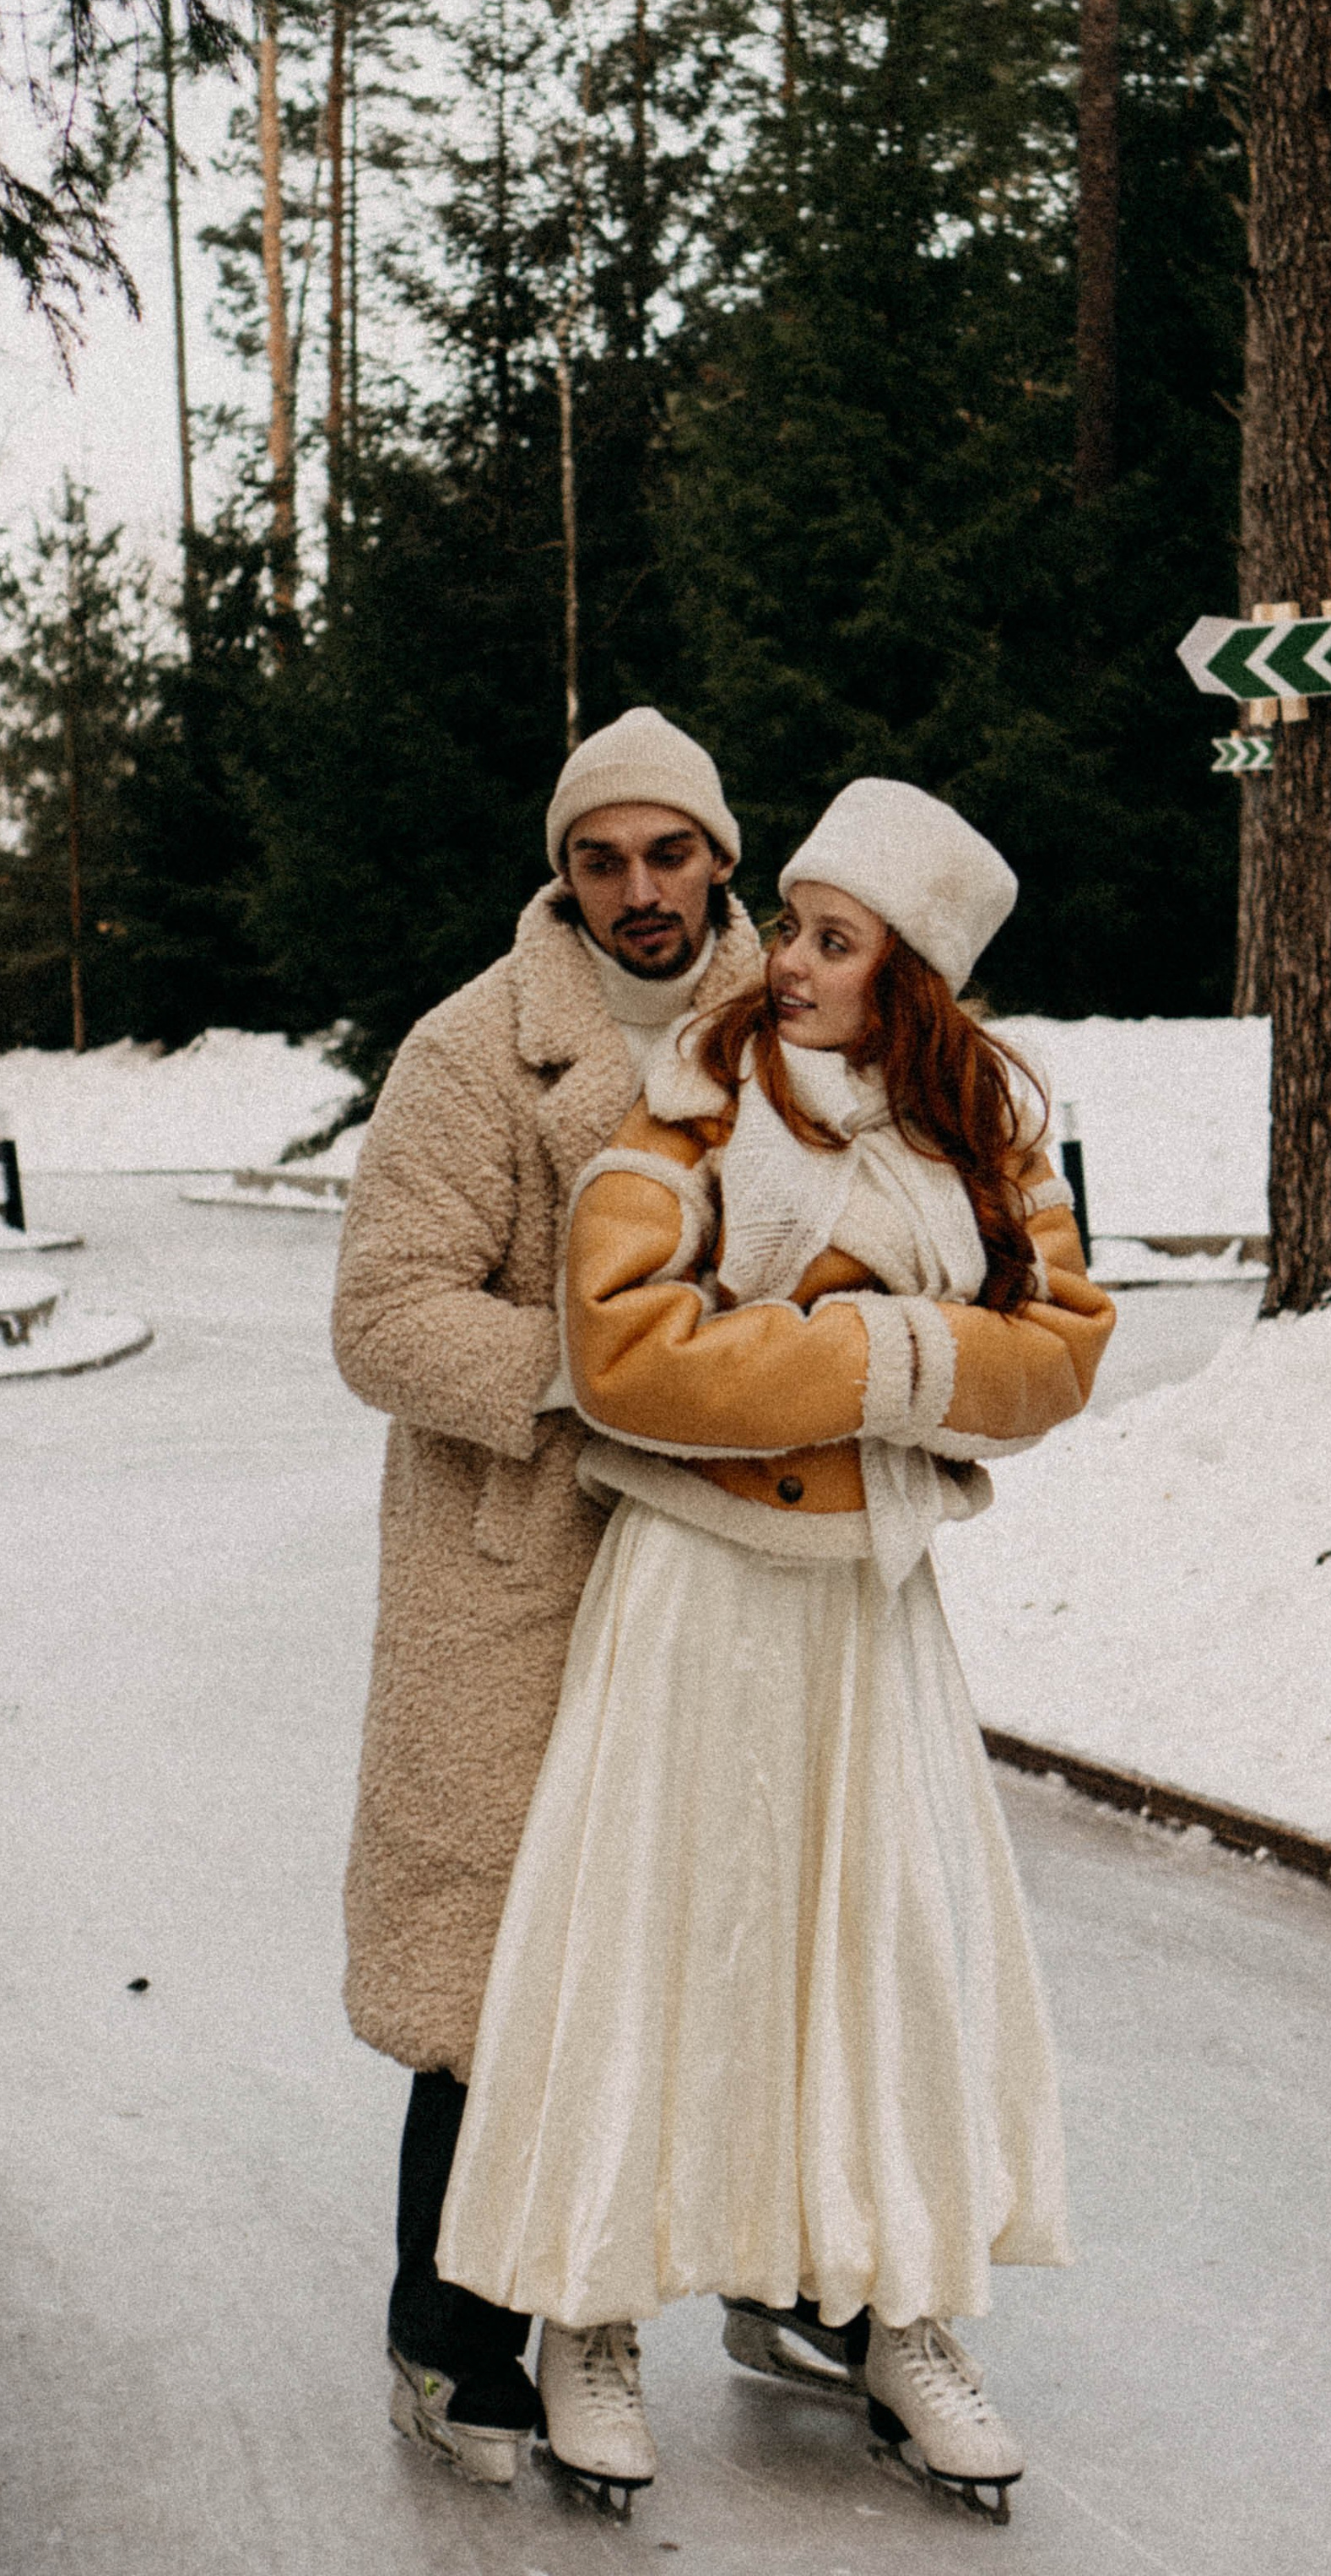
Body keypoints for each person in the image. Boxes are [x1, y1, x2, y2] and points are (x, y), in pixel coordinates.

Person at [436, 778, 1116, 2522]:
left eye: (829, 937)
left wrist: (850, 1346)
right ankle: (587, 2318)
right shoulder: (695, 1102)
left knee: (879, 1963)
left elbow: (1058, 1350)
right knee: (651, 1944)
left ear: (914, 975)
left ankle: (899, 2314)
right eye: (793, 922)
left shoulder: (983, 1142)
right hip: (692, 1594)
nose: (785, 960)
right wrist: (887, 1358)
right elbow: (623, 1350)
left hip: (870, 1614)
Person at [330, 708, 764, 2489]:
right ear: (562, 871)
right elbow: (382, 1318)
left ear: (723, 856)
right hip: (524, 1561)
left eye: (668, 853)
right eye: (601, 858)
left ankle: (801, 2281)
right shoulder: (469, 1054)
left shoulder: (806, 1023)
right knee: (498, 1962)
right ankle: (450, 2331)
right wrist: (619, 1373)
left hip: (745, 1562)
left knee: (755, 1928)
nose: (637, 890)